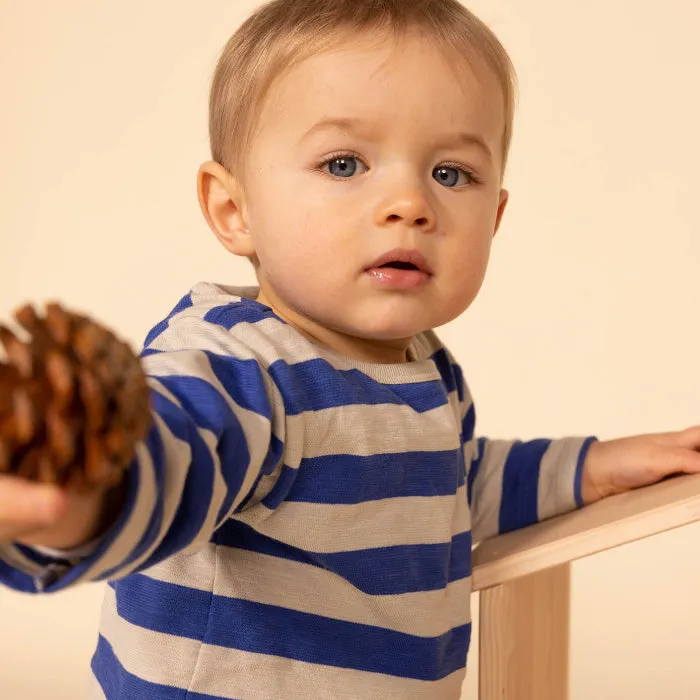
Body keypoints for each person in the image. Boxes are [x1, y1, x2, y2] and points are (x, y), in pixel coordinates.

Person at [1, 1, 699, 698]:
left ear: (496, 216)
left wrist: (594, 469)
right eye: (344, 163)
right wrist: (81, 500)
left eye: (451, 174)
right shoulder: (241, 369)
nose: (409, 203)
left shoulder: (421, 369)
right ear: (233, 211)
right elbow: (176, 460)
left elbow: (448, 489)